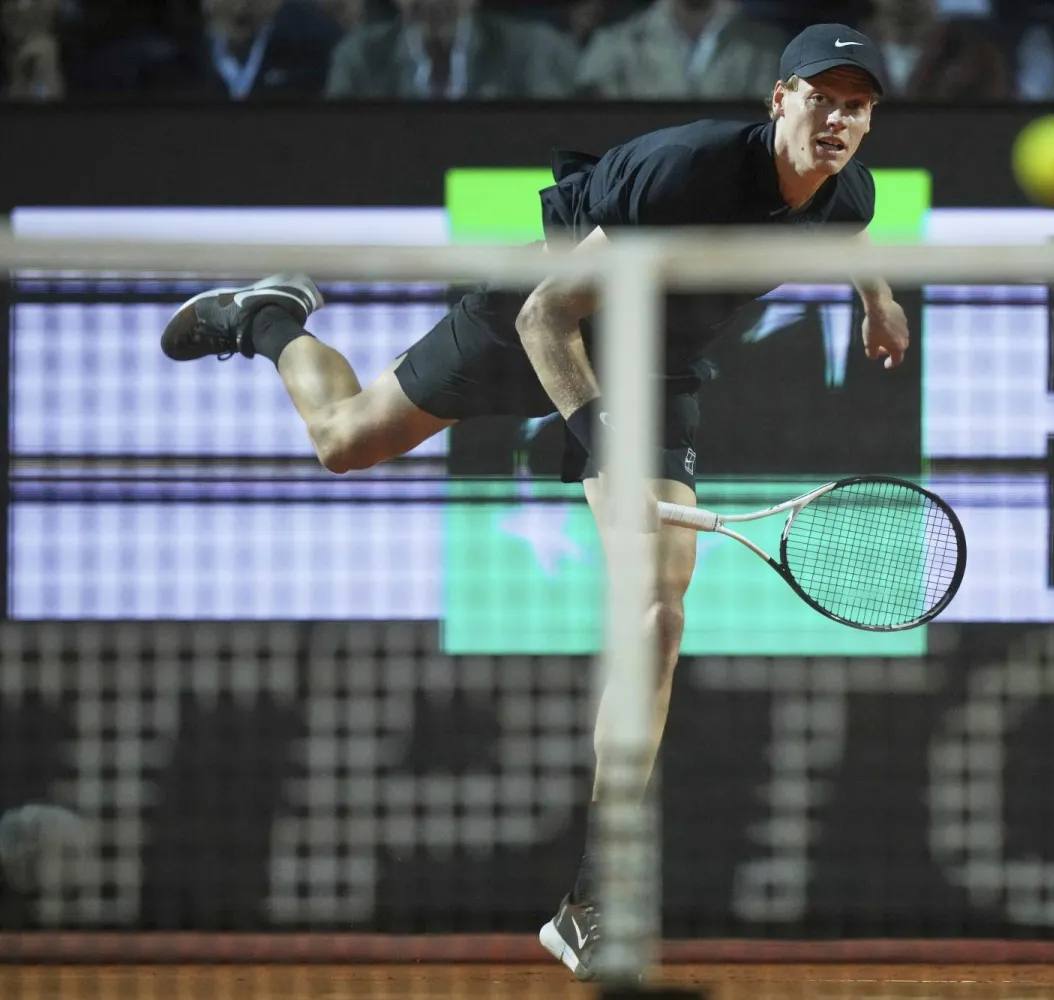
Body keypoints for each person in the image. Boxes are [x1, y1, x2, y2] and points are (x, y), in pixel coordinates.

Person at [157, 20, 908, 983]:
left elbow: (847, 227)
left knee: (658, 606)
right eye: (822, 97)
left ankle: (594, 898)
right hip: (541, 317)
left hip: (659, 360)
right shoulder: (686, 174)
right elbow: (545, 315)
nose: (839, 119)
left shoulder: (846, 186)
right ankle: (267, 317)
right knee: (345, 439)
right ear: (779, 100)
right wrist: (603, 447)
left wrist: (876, 297)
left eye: (858, 105)